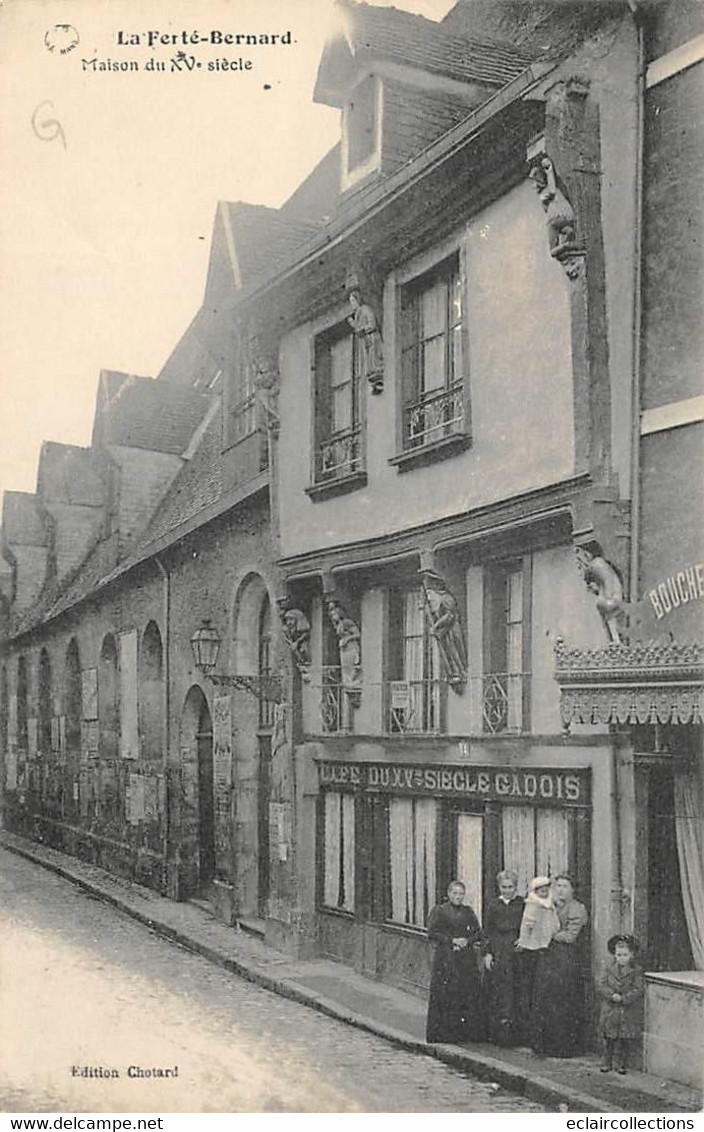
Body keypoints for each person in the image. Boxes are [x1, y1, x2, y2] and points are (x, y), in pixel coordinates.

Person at [529, 874, 589, 1057]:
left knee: (563, 1002)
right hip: (547, 957)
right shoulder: (549, 906)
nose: (560, 889)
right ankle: (543, 1045)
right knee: (544, 1000)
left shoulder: (577, 909)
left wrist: (550, 934)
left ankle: (563, 1047)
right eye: (558, 886)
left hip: (565, 960)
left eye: (565, 886)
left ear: (572, 890)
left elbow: (570, 936)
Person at [426, 880, 485, 1044]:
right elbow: (432, 932)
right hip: (446, 958)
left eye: (461, 894)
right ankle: (444, 1033)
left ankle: (464, 1033)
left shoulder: (468, 912)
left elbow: (478, 932)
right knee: (447, 993)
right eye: (455, 893)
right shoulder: (440, 911)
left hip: (465, 959)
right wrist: (452, 940)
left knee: (465, 992)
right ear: (449, 894)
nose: (458, 897)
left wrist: (467, 941)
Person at [483, 869, 525, 1046]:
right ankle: (498, 1035)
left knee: (516, 990)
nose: (507, 890)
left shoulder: (522, 904)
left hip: (517, 950)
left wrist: (524, 940)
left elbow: (529, 924)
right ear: (499, 887)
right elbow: (488, 930)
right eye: (504, 887)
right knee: (499, 990)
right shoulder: (494, 905)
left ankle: (516, 1035)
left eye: (510, 887)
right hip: (499, 949)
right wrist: (487, 953)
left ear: (516, 887)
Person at [516, 876, 559, 1037]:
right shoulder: (533, 904)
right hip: (533, 946)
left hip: (546, 944)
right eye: (541, 890)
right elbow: (527, 924)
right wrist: (524, 941)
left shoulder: (549, 903)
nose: (544, 892)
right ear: (535, 891)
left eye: (546, 889)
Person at [598, 934, 644, 1074]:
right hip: (610, 1009)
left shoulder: (636, 971)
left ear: (631, 955)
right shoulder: (608, 968)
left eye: (625, 955)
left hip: (626, 1009)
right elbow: (601, 984)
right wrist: (611, 995)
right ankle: (607, 1061)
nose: (621, 958)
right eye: (618, 955)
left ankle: (621, 1063)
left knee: (624, 1038)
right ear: (614, 955)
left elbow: (638, 989)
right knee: (609, 1037)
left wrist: (624, 998)